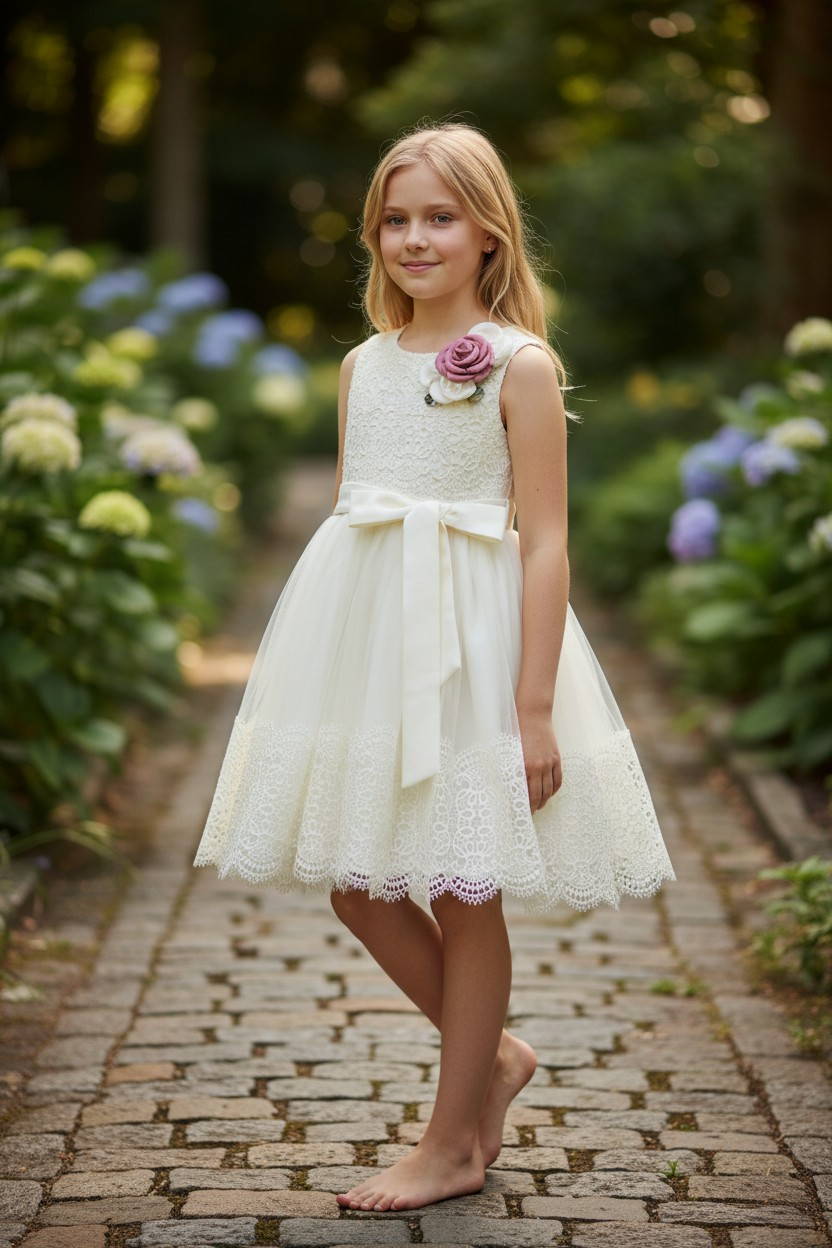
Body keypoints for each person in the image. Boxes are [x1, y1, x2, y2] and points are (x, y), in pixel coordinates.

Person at [193, 121, 674, 1212]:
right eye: (396, 219)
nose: (415, 238)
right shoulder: (362, 366)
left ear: (488, 233)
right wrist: (332, 665)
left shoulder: (518, 365)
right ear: (373, 236)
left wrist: (533, 706)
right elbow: (351, 515)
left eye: (440, 218)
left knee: (464, 883)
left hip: (473, 647)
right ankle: (494, 1057)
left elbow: (545, 541)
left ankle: (453, 1142)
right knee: (359, 884)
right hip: (371, 635)